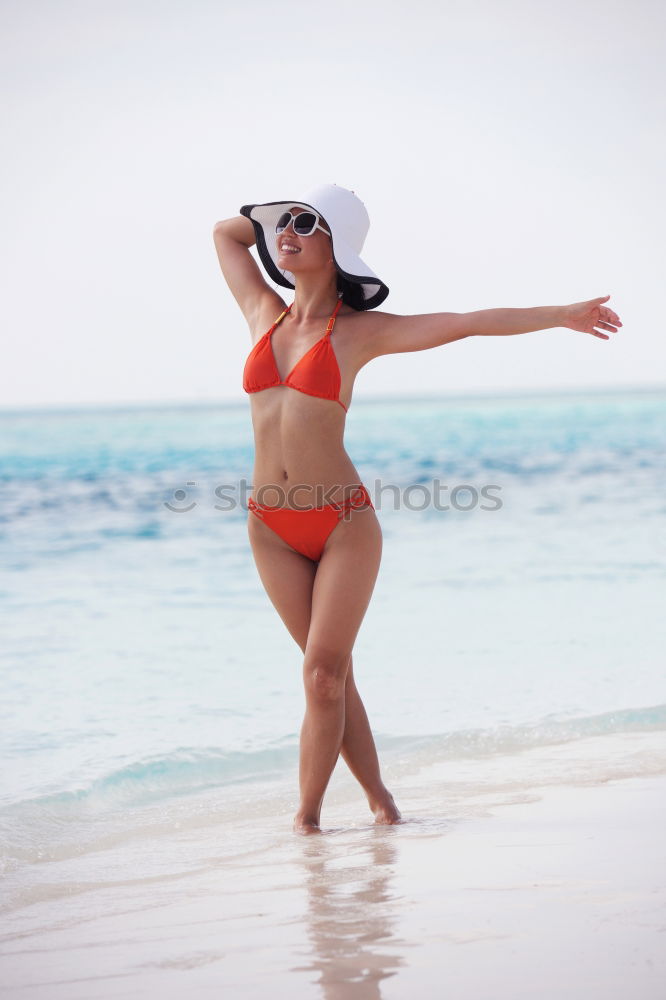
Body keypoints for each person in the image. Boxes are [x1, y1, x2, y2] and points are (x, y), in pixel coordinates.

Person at [212, 183, 622, 836]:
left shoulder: (361, 334)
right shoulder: (261, 311)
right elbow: (225, 235)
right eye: (281, 224)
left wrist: (559, 313)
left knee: (321, 675)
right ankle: (383, 804)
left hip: (343, 524)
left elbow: (468, 322)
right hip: (271, 529)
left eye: (304, 224)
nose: (284, 232)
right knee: (331, 678)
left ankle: (306, 825)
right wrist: (280, 211)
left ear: (337, 247)